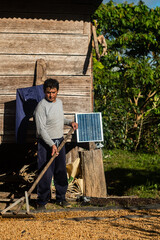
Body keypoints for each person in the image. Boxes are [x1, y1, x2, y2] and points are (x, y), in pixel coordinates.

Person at [34, 78, 78, 209]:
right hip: (46, 143)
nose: (51, 95)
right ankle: (41, 201)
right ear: (44, 91)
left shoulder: (59, 103)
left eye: (53, 92)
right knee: (46, 173)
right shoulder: (41, 107)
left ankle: (61, 198)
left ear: (57, 91)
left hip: (60, 142)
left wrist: (70, 122)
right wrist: (51, 145)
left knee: (60, 171)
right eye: (48, 92)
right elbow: (41, 130)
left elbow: (59, 118)